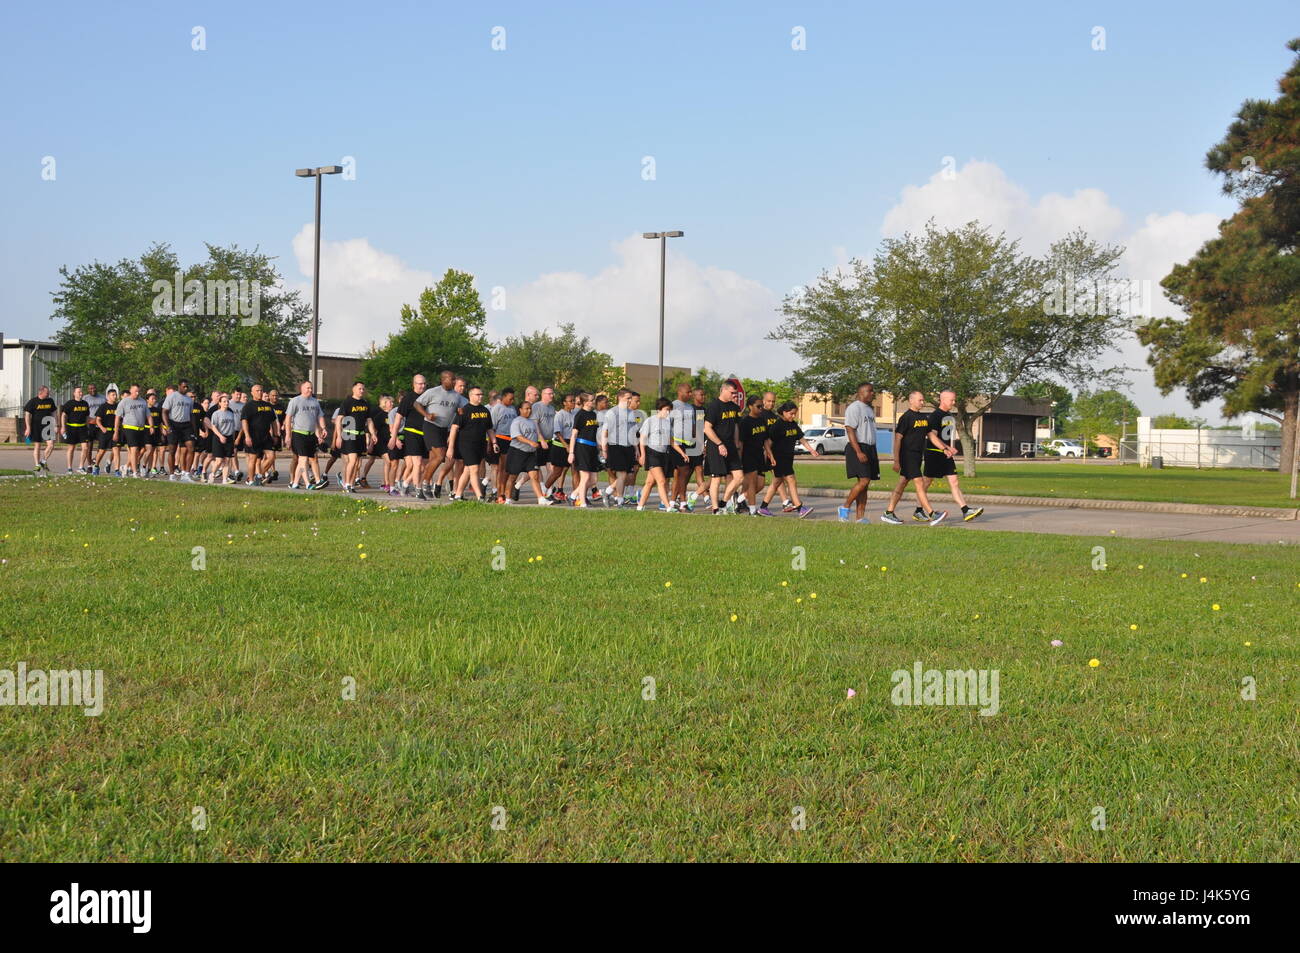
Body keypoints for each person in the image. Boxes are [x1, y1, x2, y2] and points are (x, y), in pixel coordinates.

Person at [880, 391, 945, 525]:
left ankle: (888, 513)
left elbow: (931, 436)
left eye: (923, 400)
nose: (923, 402)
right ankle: (932, 514)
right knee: (919, 483)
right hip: (907, 456)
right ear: (911, 401)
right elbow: (898, 440)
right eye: (920, 400)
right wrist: (896, 461)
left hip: (917, 456)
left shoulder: (923, 418)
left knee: (902, 483)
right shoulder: (906, 417)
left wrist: (944, 448)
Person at [919, 389, 984, 522]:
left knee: (954, 481)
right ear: (942, 400)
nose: (954, 403)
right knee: (926, 483)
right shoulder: (935, 416)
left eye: (954, 400)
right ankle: (919, 510)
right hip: (934, 453)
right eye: (951, 400)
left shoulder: (949, 415)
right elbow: (932, 437)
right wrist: (945, 448)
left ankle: (966, 510)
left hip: (946, 454)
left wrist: (949, 448)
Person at [759, 402, 818, 517]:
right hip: (778, 458)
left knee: (776, 482)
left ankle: (763, 508)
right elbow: (768, 443)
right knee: (791, 480)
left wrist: (811, 449)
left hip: (788, 458)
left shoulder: (793, 424)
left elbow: (801, 438)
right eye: (791, 414)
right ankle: (800, 508)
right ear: (784, 412)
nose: (793, 416)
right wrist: (769, 457)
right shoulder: (777, 425)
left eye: (795, 414)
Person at [839, 382, 881, 523]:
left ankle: (860, 517)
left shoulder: (869, 410)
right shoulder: (854, 408)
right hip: (858, 447)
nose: (872, 393)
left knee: (865, 485)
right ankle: (844, 507)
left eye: (872, 391)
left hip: (870, 448)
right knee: (864, 481)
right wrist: (858, 451)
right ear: (860, 392)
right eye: (869, 391)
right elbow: (850, 430)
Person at [416, 370, 462, 498]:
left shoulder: (456, 395)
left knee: (434, 459)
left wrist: (461, 411)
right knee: (440, 456)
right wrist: (427, 414)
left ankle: (422, 487)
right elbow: (417, 403)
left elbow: (463, 408)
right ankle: (424, 483)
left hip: (444, 429)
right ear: (443, 380)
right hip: (431, 426)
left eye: (454, 379)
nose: (453, 382)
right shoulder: (433, 391)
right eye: (451, 379)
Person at [703, 381, 745, 515]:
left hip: (731, 446)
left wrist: (737, 443)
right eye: (732, 393)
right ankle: (716, 509)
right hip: (715, 446)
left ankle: (723, 502)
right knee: (716, 478)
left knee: (739, 477)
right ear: (724, 390)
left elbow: (736, 426)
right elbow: (707, 428)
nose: (734, 396)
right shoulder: (714, 406)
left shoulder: (734, 407)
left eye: (736, 393)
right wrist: (719, 444)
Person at [636, 398, 685, 511]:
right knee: (662, 481)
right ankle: (668, 507)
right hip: (652, 453)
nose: (668, 412)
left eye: (669, 410)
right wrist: (643, 455)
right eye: (666, 409)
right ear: (659, 409)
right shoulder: (650, 420)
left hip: (663, 454)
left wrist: (682, 453)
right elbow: (642, 439)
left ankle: (640, 506)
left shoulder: (668, 423)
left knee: (649, 483)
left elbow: (671, 441)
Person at [449, 386, 493, 501]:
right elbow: (454, 428)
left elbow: (489, 429)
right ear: (470, 396)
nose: (480, 396)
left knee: (468, 470)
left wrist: (494, 442)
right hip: (467, 445)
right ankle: (480, 497)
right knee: (474, 469)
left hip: (480, 445)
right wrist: (451, 447)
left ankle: (458, 495)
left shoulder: (485, 410)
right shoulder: (464, 410)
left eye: (481, 394)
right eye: (478, 394)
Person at [506, 401, 553, 506]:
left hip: (530, 453)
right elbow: (517, 436)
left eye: (530, 408)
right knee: (513, 477)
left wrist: (540, 441)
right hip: (517, 452)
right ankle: (508, 499)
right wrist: (531, 442)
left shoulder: (532, 422)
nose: (529, 410)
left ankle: (541, 499)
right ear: (520, 410)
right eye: (526, 408)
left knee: (535, 476)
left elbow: (537, 434)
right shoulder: (516, 421)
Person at [334, 382, 378, 493]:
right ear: (354, 389)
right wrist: (339, 436)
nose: (362, 391)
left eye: (363, 389)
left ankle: (351, 484)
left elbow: (369, 420)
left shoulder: (365, 403)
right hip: (349, 433)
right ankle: (347, 483)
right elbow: (339, 420)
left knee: (357, 463)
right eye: (359, 389)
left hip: (360, 435)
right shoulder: (347, 402)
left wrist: (373, 434)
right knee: (352, 460)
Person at [285, 380, 328, 490]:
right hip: (299, 433)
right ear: (302, 389)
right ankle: (308, 483)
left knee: (311, 459)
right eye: (308, 388)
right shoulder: (295, 401)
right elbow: (288, 418)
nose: (310, 390)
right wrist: (288, 435)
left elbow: (320, 417)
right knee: (303, 459)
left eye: (311, 388)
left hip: (311, 434)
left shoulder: (315, 402)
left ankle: (295, 483)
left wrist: (323, 429)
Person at [599, 388, 638, 507]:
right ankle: (619, 501)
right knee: (621, 474)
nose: (630, 400)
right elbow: (605, 432)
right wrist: (604, 449)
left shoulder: (631, 413)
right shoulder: (612, 412)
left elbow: (633, 432)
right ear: (620, 398)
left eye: (631, 398)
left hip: (629, 446)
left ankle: (607, 492)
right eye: (628, 398)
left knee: (626, 475)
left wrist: (636, 449)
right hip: (616, 446)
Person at [392, 374, 429, 498]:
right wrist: (394, 436)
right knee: (417, 463)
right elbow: (398, 417)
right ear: (414, 384)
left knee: (423, 467)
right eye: (419, 383)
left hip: (426, 434)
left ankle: (406, 483)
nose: (422, 386)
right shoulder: (408, 398)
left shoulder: (428, 397)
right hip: (412, 432)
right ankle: (419, 490)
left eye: (424, 383)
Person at [738, 394, 774, 515]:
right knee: (752, 482)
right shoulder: (745, 422)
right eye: (758, 406)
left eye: (761, 406)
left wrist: (770, 455)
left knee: (761, 484)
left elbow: (765, 440)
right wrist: (740, 459)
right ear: (750, 406)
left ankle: (739, 499)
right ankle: (753, 510)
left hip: (760, 455)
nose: (761, 409)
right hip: (748, 456)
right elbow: (741, 443)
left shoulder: (762, 420)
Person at [240, 384, 279, 486]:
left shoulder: (268, 406)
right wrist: (247, 436)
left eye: (261, 390)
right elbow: (244, 422)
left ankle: (259, 475)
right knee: (253, 459)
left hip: (266, 436)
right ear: (252, 393)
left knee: (271, 457)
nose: (260, 392)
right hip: (253, 436)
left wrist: (275, 435)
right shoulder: (248, 406)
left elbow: (273, 422)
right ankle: (250, 479)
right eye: (257, 391)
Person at [568, 392, 602, 508]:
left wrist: (598, 446)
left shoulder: (593, 414)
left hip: (592, 447)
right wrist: (571, 453)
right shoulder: (580, 415)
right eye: (591, 400)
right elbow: (574, 435)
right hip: (582, 447)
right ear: (585, 402)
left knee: (593, 479)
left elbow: (593, 432)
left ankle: (573, 495)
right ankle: (582, 502)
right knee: (585, 477)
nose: (593, 402)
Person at [113, 384, 154, 477]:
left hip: (141, 429)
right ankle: (134, 472)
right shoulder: (124, 402)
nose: (137, 393)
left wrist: (151, 426)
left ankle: (126, 466)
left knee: (140, 450)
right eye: (135, 391)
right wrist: (116, 432)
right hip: (129, 428)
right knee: (134, 449)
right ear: (130, 391)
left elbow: (148, 415)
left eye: (139, 391)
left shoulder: (143, 402)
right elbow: (117, 417)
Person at [543, 391, 577, 502]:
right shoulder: (560, 415)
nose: (573, 403)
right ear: (564, 403)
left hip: (571, 444)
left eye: (573, 401)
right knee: (557, 472)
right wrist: (566, 445)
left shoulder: (574, 414)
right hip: (560, 445)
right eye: (570, 401)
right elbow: (558, 432)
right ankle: (544, 490)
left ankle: (576, 496)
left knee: (575, 470)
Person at [162, 380, 197, 481]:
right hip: (173, 424)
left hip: (186, 425)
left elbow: (191, 415)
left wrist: (194, 430)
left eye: (187, 387)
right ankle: (172, 474)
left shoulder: (189, 399)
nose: (186, 389)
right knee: (172, 450)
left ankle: (186, 473)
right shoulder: (172, 396)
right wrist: (167, 426)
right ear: (179, 386)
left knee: (191, 448)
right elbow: (164, 412)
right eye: (184, 387)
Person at [489, 387, 518, 503]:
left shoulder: (512, 409)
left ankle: (504, 492)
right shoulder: (497, 408)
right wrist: (492, 442)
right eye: (510, 399)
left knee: (508, 469)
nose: (512, 401)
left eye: (513, 399)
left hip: (511, 440)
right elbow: (492, 427)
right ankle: (500, 493)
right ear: (504, 397)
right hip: (501, 439)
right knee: (501, 468)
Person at [204, 394, 240, 484]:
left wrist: (234, 439)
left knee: (227, 460)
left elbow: (233, 428)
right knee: (219, 460)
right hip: (218, 438)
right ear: (220, 403)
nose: (226, 403)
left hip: (229, 439)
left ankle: (224, 479)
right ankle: (212, 474)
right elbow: (213, 427)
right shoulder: (216, 413)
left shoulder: (231, 413)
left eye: (227, 401)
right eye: (224, 401)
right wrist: (220, 436)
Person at [23, 385, 57, 473]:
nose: (48, 394)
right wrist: (28, 427)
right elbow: (27, 415)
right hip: (36, 426)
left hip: (48, 425)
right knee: (37, 446)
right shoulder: (33, 401)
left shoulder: (50, 401)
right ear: (41, 392)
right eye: (47, 393)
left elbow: (54, 412)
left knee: (51, 445)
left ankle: (43, 461)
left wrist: (55, 424)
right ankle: (37, 465)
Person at [60, 386, 92, 473]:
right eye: (78, 392)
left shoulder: (85, 403)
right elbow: (63, 415)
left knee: (85, 448)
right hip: (71, 428)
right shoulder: (69, 403)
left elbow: (87, 416)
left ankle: (81, 467)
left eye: (81, 392)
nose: (81, 393)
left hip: (82, 428)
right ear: (74, 393)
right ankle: (69, 468)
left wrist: (88, 426)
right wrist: (63, 427)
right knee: (71, 448)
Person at [92, 388, 120, 476]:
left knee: (116, 450)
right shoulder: (103, 406)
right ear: (108, 396)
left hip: (114, 431)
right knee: (101, 451)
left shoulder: (118, 406)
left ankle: (117, 470)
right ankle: (96, 466)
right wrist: (102, 427)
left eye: (116, 395)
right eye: (113, 395)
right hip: (104, 432)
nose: (115, 397)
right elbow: (98, 420)